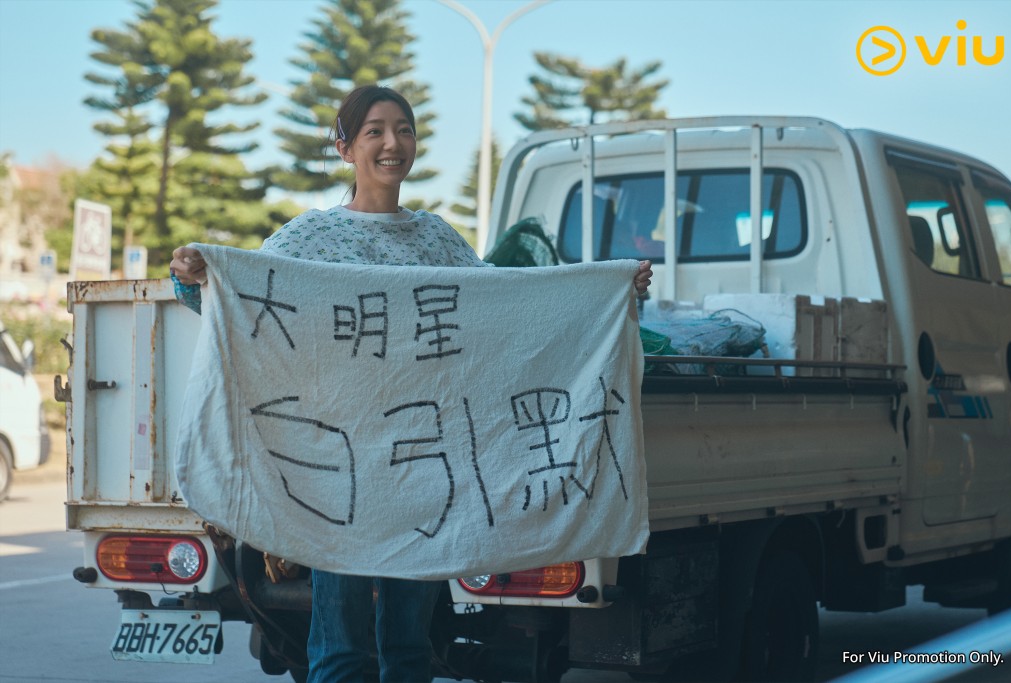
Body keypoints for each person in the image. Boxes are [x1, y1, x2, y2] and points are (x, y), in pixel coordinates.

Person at [169, 84, 653, 682]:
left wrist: (605, 293)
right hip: (341, 472)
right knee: (341, 646)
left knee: (407, 646)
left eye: (403, 129)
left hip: (424, 468)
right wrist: (192, 276)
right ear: (345, 147)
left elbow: (504, 314)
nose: (392, 143)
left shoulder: (437, 239)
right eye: (374, 131)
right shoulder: (309, 238)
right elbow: (238, 299)